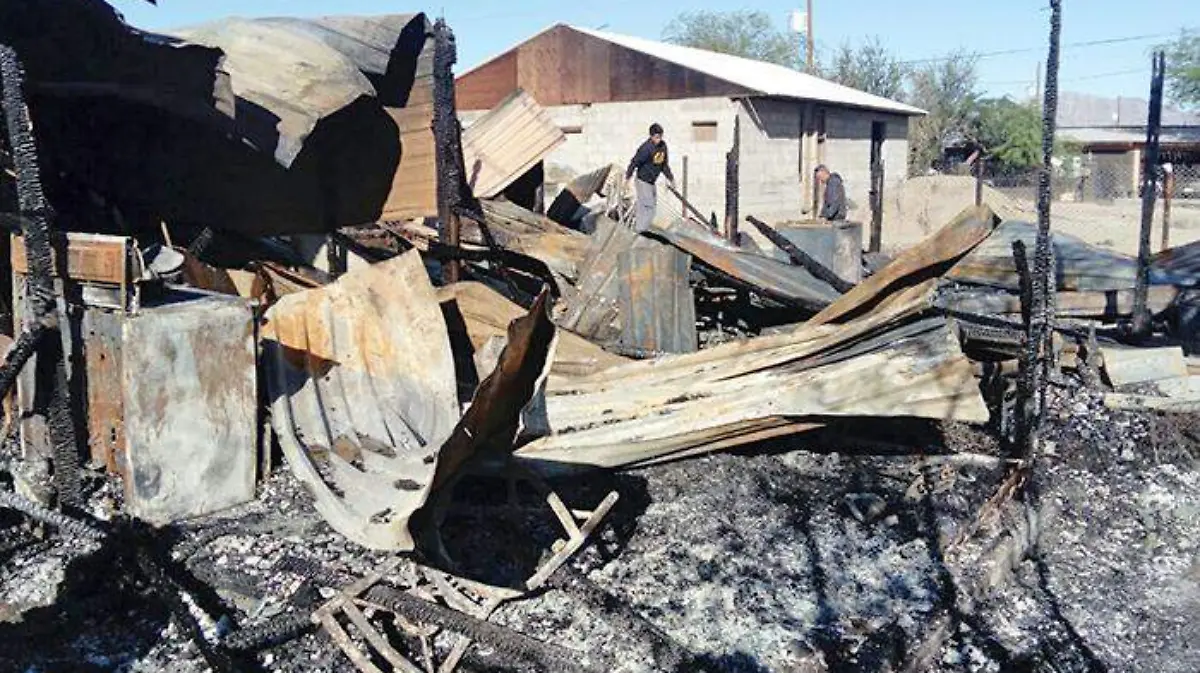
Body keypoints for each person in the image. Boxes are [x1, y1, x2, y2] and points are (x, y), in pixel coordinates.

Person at [625, 123, 675, 232]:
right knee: (648, 206)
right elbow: (634, 162)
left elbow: (664, 165)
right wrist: (628, 176)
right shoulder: (645, 148)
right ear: (651, 136)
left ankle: (641, 228)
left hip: (652, 181)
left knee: (650, 206)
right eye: (656, 137)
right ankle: (641, 230)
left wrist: (670, 178)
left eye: (660, 137)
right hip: (642, 180)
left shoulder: (663, 146)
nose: (659, 140)